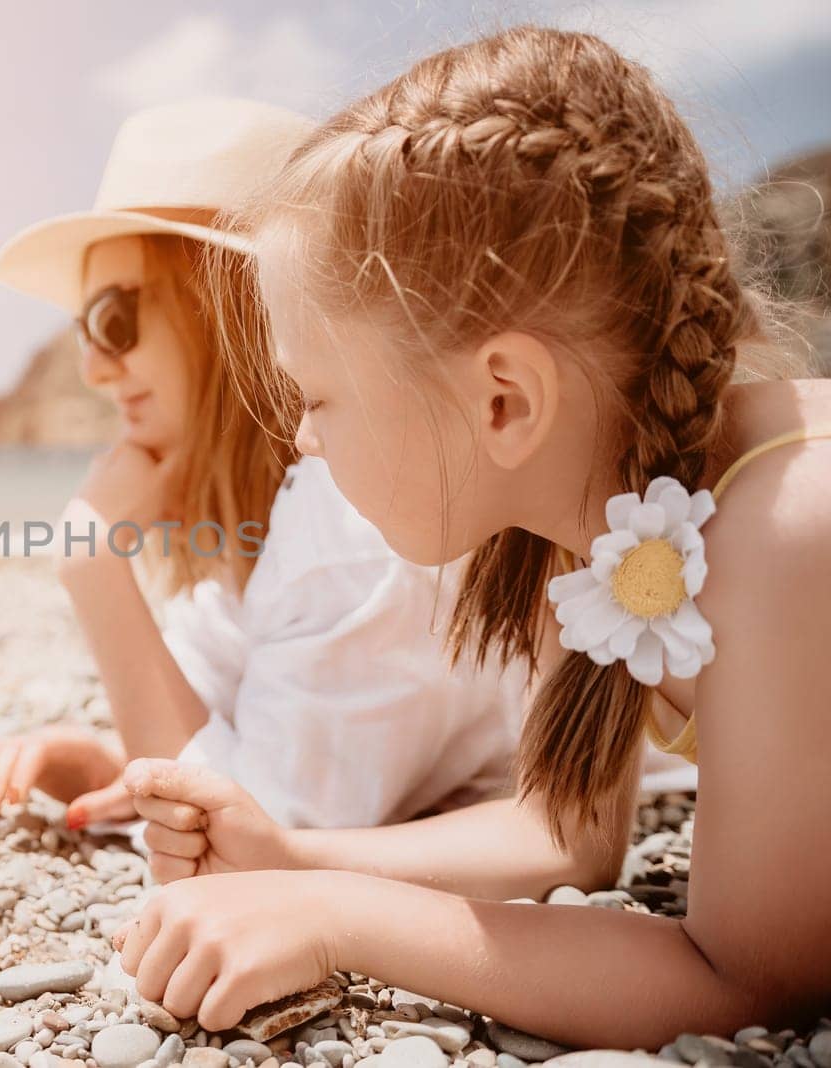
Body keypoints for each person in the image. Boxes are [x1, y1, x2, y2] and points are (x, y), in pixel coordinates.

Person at [115, 28, 831, 1046]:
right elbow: (564, 833)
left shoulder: (789, 530)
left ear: (501, 401)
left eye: (318, 396)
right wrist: (294, 856)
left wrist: (336, 922)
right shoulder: (583, 533)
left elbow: (747, 982)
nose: (303, 440)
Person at [0, 98, 523, 833]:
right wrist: (101, 761)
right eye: (83, 329)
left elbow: (255, 838)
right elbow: (221, 738)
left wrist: (91, 565)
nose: (91, 367)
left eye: (113, 320)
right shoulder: (262, 522)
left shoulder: (351, 529)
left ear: (227, 310)